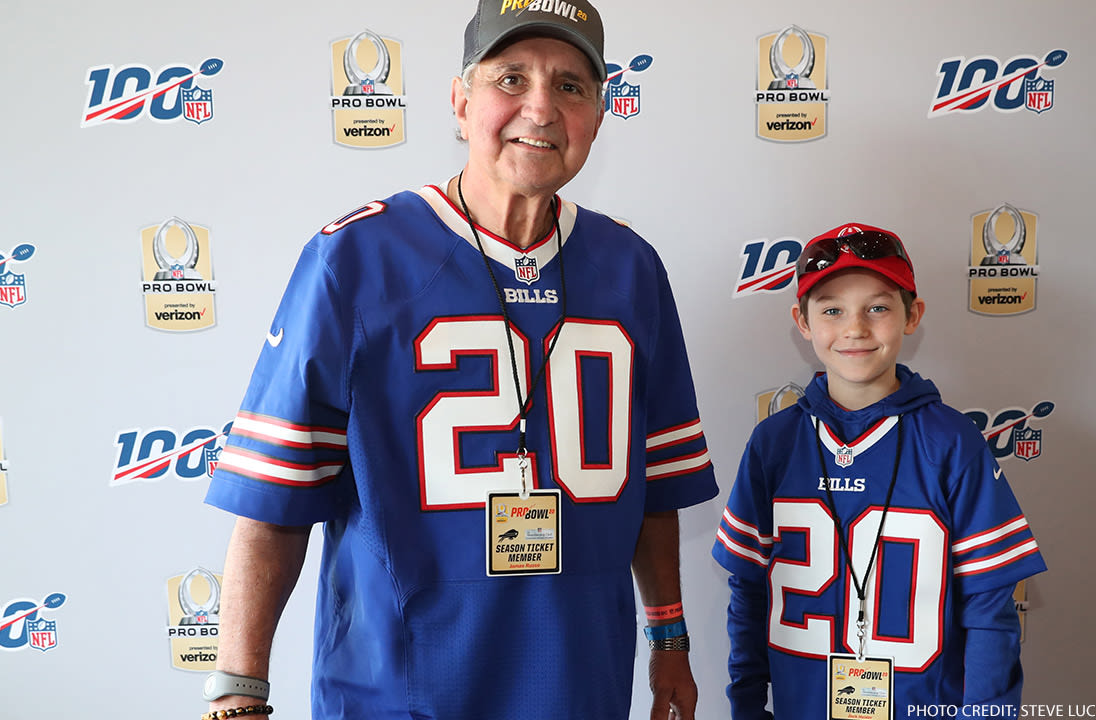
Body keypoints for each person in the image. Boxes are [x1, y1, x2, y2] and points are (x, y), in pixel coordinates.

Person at [201, 2, 717, 718]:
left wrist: (670, 641)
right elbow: (275, 500)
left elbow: (655, 489)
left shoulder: (631, 269)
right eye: (512, 78)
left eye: (571, 86)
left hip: (580, 686)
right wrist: (239, 688)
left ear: (600, 115)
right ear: (460, 99)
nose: (540, 108)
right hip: (397, 692)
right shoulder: (353, 259)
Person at [711, 223, 1046, 719]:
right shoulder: (775, 443)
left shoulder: (952, 443)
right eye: (831, 309)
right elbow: (748, 592)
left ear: (913, 315)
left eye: (878, 307)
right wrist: (746, 706)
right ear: (802, 322)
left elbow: (990, 610)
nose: (855, 328)